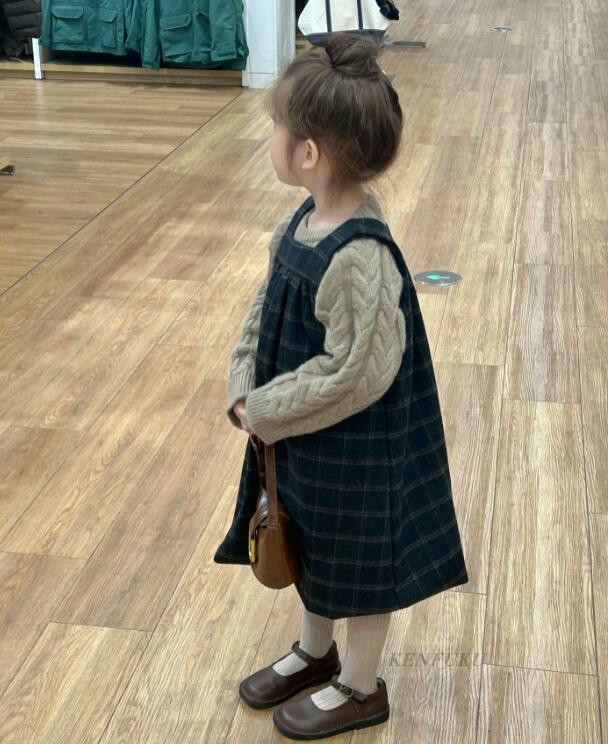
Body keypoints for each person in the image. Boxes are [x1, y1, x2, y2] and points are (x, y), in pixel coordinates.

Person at [213, 31, 469, 740]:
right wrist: (244, 385)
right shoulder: (302, 220)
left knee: (359, 557)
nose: (270, 138)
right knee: (311, 538)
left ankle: (360, 685)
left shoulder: (358, 254)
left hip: (358, 445)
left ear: (308, 153)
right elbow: (263, 308)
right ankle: (315, 651)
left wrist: (266, 407)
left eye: (276, 127)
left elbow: (357, 372)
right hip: (305, 434)